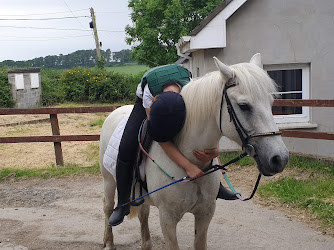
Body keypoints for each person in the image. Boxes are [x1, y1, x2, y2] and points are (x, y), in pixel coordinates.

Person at [109, 64, 237, 227]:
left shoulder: (192, 90)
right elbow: (160, 136)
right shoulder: (149, 95)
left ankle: (217, 187)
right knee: (126, 147)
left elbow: (206, 126)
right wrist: (188, 166)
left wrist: (214, 151)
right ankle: (122, 203)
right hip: (146, 104)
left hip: (180, 101)